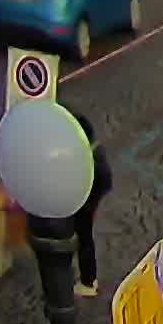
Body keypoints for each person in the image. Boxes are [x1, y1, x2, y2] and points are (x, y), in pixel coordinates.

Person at [61, 105, 111, 297]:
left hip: (91, 188)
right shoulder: (85, 135)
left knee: (83, 234)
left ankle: (88, 281)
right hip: (97, 183)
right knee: (82, 233)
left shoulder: (83, 154)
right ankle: (89, 278)